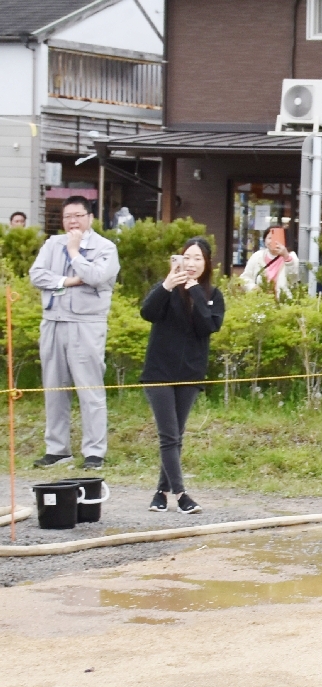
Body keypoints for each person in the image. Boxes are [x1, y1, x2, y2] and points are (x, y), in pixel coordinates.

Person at [28, 195, 120, 470]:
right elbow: (36, 275)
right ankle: (57, 449)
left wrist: (75, 252)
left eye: (78, 216)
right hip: (53, 320)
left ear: (90, 218)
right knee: (54, 388)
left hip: (86, 324)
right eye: (68, 216)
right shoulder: (51, 244)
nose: (73, 221)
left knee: (89, 388)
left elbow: (95, 277)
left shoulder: (105, 248)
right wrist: (67, 281)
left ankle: (94, 452)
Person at [138, 238, 224, 514]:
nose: (191, 263)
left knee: (176, 435)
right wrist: (167, 285)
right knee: (169, 436)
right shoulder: (166, 288)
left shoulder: (212, 294)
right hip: (159, 371)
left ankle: (160, 493)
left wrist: (195, 290)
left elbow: (208, 325)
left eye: (198, 258)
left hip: (190, 373)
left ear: (206, 263)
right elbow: (147, 312)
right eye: (187, 257)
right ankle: (181, 494)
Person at [240, 226, 299, 298]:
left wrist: (286, 256)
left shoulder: (291, 257)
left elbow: (293, 278)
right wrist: (253, 288)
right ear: (264, 240)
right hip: (260, 300)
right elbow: (244, 278)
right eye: (269, 238)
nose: (272, 241)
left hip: (283, 300)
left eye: (276, 238)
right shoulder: (257, 256)